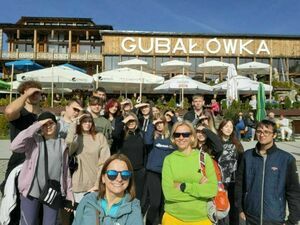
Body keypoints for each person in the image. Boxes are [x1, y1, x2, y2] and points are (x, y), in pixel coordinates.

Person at [10, 111, 74, 225]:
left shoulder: (62, 144)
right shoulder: (34, 140)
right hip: (31, 189)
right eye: (44, 125)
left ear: (56, 124)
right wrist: (37, 125)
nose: (48, 126)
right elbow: (14, 146)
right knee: (28, 222)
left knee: (50, 222)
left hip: (53, 190)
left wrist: (69, 193)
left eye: (51, 123)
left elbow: (65, 172)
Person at [235, 119, 300, 225]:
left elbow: (294, 192)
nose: (262, 135)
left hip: (274, 218)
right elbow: (239, 185)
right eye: (259, 131)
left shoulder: (286, 159)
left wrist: (292, 220)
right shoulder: (247, 156)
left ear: (274, 135)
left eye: (266, 132)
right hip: (250, 217)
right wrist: (240, 209)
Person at [1, 80, 42, 225]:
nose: (35, 94)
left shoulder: (44, 116)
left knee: (36, 213)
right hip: (19, 165)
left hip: (39, 167)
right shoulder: (20, 114)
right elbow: (9, 111)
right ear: (22, 94)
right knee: (14, 209)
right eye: (31, 91)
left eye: (37, 91)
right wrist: (26, 95)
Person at [162, 121, 217, 225]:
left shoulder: (204, 158)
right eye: (177, 134)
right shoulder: (168, 160)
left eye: (185, 134)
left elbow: (212, 190)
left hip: (202, 218)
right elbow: (169, 194)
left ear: (192, 137)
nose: (181, 137)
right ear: (173, 137)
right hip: (173, 218)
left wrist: (184, 187)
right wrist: (200, 190)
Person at [72, 154, 144, 225]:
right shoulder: (88, 200)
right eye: (112, 174)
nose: (119, 179)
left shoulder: (133, 209)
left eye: (125, 174)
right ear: (103, 178)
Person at [66, 111, 110, 204]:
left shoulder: (99, 137)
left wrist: (98, 184)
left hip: (95, 185)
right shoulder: (77, 138)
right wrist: (74, 124)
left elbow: (105, 162)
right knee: (79, 216)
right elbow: (68, 148)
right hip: (78, 185)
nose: (87, 124)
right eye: (84, 121)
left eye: (89, 121)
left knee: (96, 217)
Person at [143, 115, 175, 225]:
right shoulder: (152, 137)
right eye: (157, 123)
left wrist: (173, 118)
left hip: (167, 174)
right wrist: (152, 124)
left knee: (164, 203)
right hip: (153, 173)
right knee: (155, 202)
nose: (159, 125)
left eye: (161, 122)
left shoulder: (171, 138)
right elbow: (147, 141)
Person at [217, 119, 244, 225]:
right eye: (226, 126)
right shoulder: (216, 142)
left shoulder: (237, 143)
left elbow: (241, 161)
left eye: (231, 127)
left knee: (234, 209)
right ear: (221, 128)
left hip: (233, 181)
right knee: (220, 208)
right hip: (219, 181)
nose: (228, 129)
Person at [118, 112, 146, 201]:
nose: (131, 123)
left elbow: (145, 152)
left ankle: (137, 212)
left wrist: (144, 168)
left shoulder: (141, 134)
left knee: (138, 196)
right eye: (128, 121)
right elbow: (115, 133)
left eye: (132, 121)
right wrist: (125, 120)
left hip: (139, 170)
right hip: (125, 170)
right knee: (124, 194)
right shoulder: (122, 135)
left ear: (136, 122)